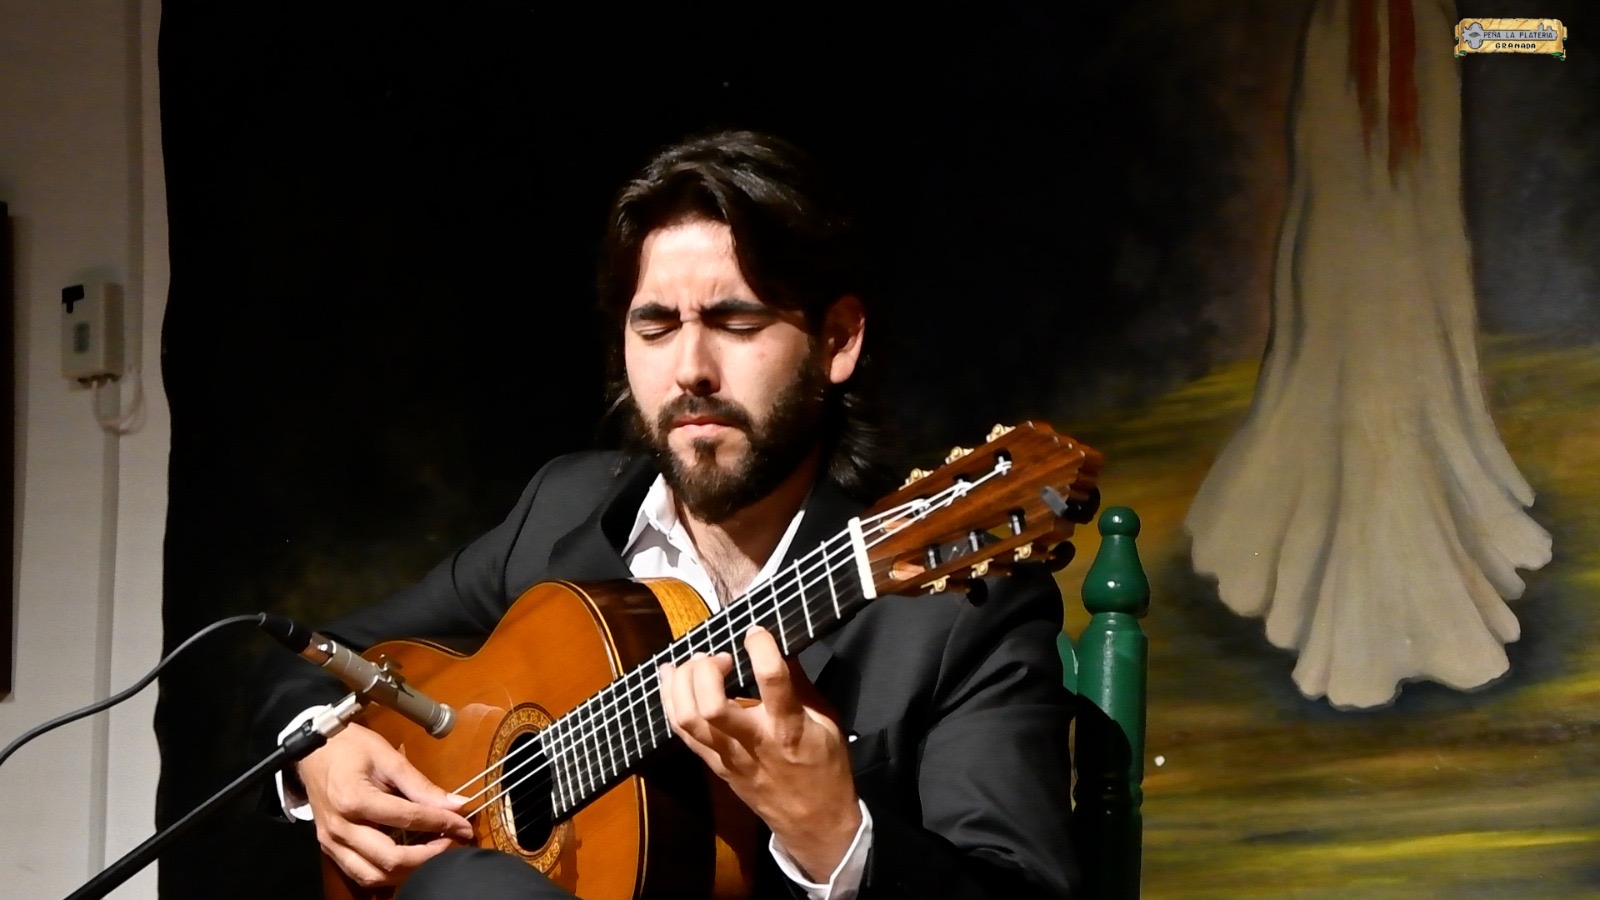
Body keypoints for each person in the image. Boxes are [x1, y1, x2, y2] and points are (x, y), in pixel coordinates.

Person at [251, 129, 1079, 899]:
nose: (690, 368)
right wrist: (315, 750)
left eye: (735, 320)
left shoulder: (957, 615)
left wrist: (837, 832)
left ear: (838, 339)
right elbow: (320, 658)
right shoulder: (563, 509)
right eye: (655, 326)